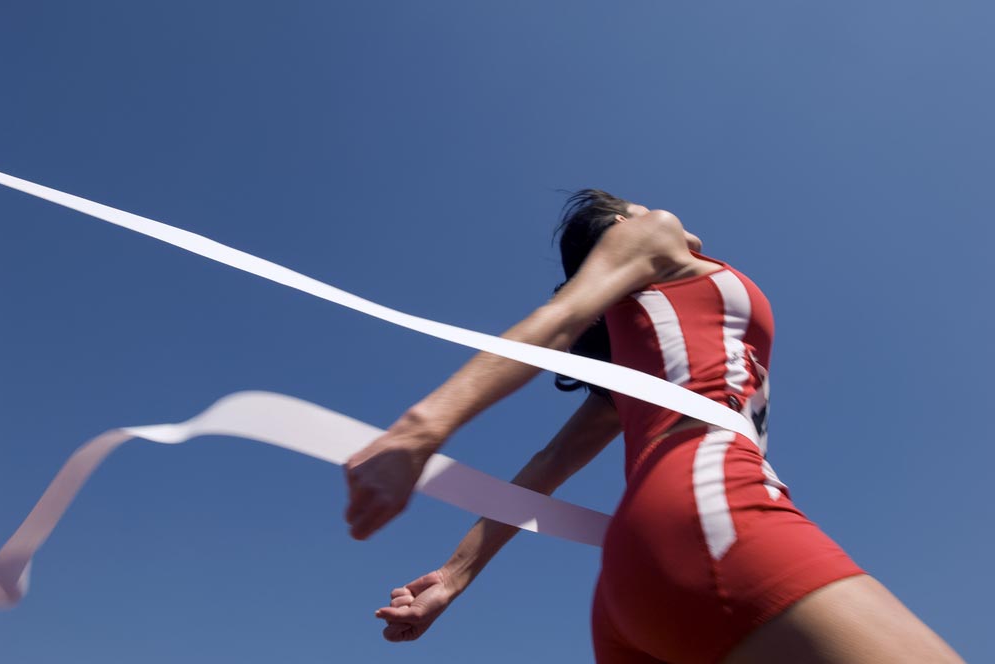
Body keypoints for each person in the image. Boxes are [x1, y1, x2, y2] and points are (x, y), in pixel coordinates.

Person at [344, 190, 963, 663]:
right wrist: (420, 430)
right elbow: (560, 319)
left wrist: (452, 577)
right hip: (714, 516)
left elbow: (548, 466)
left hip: (628, 588)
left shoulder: (638, 372)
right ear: (620, 225)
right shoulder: (653, 231)